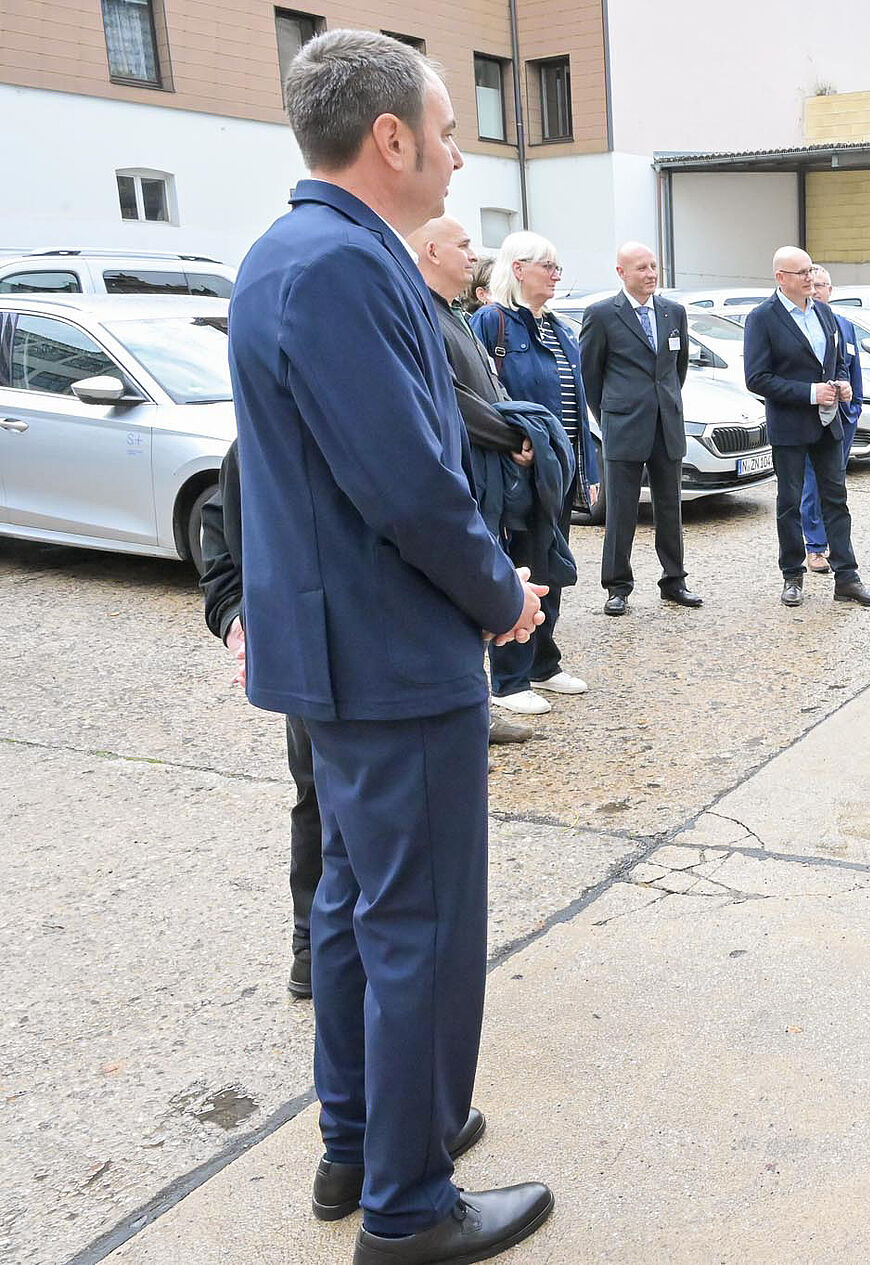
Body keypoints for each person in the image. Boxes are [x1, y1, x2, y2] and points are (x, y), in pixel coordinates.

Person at [227, 28, 552, 1263]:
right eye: (451, 132)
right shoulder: (342, 265)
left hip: (347, 652)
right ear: (392, 137)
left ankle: (363, 1137)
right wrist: (500, 594)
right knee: (419, 927)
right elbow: (408, 483)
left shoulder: (299, 251)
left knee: (358, 908)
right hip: (391, 654)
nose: (460, 157)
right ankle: (409, 1202)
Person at [408, 216, 541, 746]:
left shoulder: (454, 314)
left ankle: (478, 709)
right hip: (463, 476)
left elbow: (490, 388)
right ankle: (470, 716)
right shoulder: (424, 316)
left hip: (483, 475)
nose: (473, 255)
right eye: (463, 245)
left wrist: (517, 432)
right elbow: (453, 398)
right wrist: (512, 436)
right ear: (431, 251)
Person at [198, 448, 324, 997]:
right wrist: (237, 623)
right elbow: (220, 549)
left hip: (393, 656)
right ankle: (312, 947)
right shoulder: (256, 442)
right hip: (308, 654)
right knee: (318, 797)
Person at [471, 231, 596, 716]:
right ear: (518, 268)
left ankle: (544, 662)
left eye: (558, 267)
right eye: (548, 266)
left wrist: (586, 469)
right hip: (518, 473)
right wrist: (512, 443)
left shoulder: (560, 329)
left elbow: (578, 406)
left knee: (551, 565)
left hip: (557, 471)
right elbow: (482, 396)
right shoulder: (492, 322)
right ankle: (509, 679)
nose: (556, 275)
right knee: (520, 566)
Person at [743, 245, 870, 608]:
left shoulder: (823, 311)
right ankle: (792, 576)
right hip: (790, 426)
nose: (811, 278)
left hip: (828, 423)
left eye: (811, 271)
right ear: (781, 278)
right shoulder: (762, 318)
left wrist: (842, 382)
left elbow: (836, 360)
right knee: (790, 504)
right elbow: (757, 378)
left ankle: (847, 578)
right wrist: (810, 392)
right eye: (802, 273)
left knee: (836, 500)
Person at [579, 241, 700, 615]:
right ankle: (617, 586)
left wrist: (666, 403)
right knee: (621, 510)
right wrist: (611, 416)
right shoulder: (602, 314)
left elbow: (677, 369)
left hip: (667, 424)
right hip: (624, 425)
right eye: (641, 268)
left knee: (670, 507)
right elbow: (591, 376)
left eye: (653, 266)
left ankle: (674, 581)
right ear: (621, 273)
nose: (650, 274)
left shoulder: (673, 312)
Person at [799, 265, 863, 575]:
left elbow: (853, 370)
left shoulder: (845, 326)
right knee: (813, 482)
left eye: (822, 285)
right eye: (813, 285)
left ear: (831, 290)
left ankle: (836, 546)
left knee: (836, 483)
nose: (817, 291)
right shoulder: (802, 325)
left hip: (843, 418)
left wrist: (854, 408)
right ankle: (815, 546)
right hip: (813, 418)